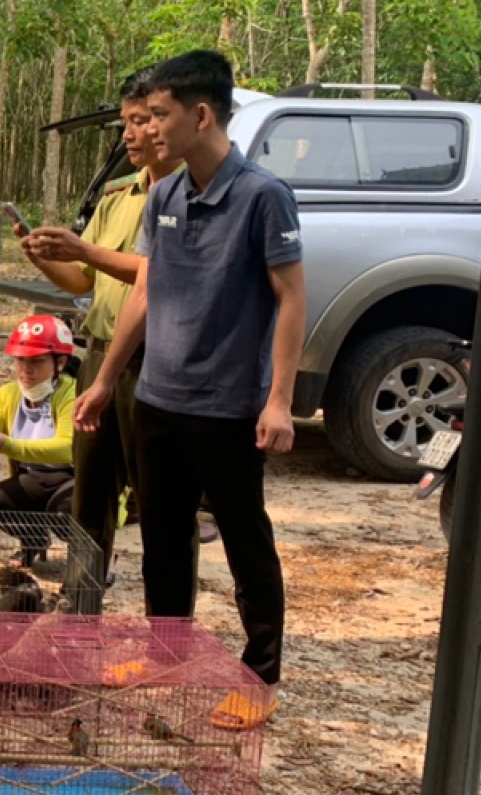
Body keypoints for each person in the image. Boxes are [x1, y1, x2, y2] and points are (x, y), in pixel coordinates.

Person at [75, 50, 305, 731]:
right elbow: (147, 289)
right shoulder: (166, 194)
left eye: (158, 116)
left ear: (200, 114)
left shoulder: (263, 196)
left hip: (230, 404)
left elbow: (291, 297)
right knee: (164, 536)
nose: (144, 130)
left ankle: (260, 677)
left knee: (243, 539)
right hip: (159, 399)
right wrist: (107, 379)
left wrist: (279, 399)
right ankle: (164, 651)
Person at [21, 70, 191, 587]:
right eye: (127, 124)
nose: (128, 136)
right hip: (99, 358)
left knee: (162, 501)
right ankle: (79, 606)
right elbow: (85, 279)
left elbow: (159, 272)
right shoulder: (118, 197)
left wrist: (83, 250)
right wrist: (46, 257)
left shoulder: (196, 198)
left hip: (155, 361)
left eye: (139, 123)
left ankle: (167, 628)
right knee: (90, 493)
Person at [0, 315, 78, 561]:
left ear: (60, 362)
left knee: (64, 511)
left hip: (73, 478)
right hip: (32, 477)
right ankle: (34, 542)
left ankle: (91, 559)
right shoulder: (7, 394)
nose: (26, 370)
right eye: (20, 361)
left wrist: (9, 445)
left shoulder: (73, 393)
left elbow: (67, 448)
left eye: (37, 362)